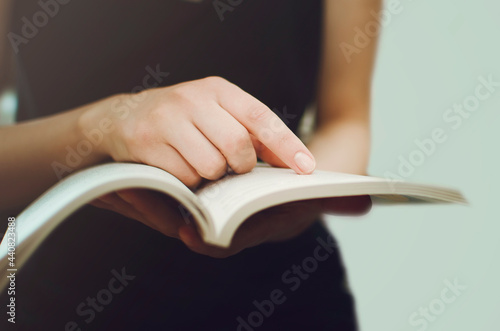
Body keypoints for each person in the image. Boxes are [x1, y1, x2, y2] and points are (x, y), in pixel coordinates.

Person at [0, 0, 380, 329]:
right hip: (57, 289)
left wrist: (304, 192)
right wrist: (103, 125)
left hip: (286, 293)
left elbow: (346, 122)